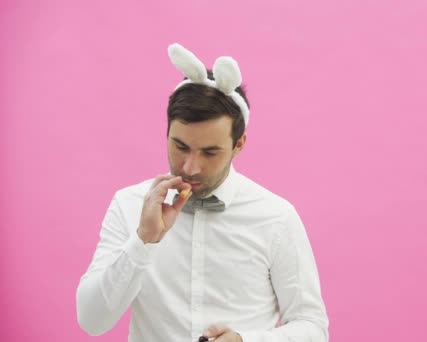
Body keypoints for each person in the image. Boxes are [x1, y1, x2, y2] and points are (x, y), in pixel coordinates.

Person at [76, 43, 329, 342]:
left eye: (210, 152)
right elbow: (92, 321)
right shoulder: (129, 204)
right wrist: (143, 241)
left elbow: (312, 327)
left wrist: (245, 341)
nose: (191, 167)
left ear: (239, 144)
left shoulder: (275, 217)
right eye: (180, 146)